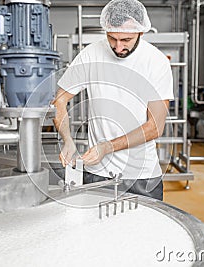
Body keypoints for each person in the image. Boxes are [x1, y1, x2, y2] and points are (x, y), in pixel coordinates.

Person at [52, 0, 173, 201]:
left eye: (126, 39)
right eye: (112, 38)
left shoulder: (156, 62)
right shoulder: (91, 54)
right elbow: (59, 100)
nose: (118, 47)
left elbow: (155, 127)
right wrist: (67, 141)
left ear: (141, 33)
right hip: (96, 172)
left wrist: (107, 147)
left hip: (140, 176)